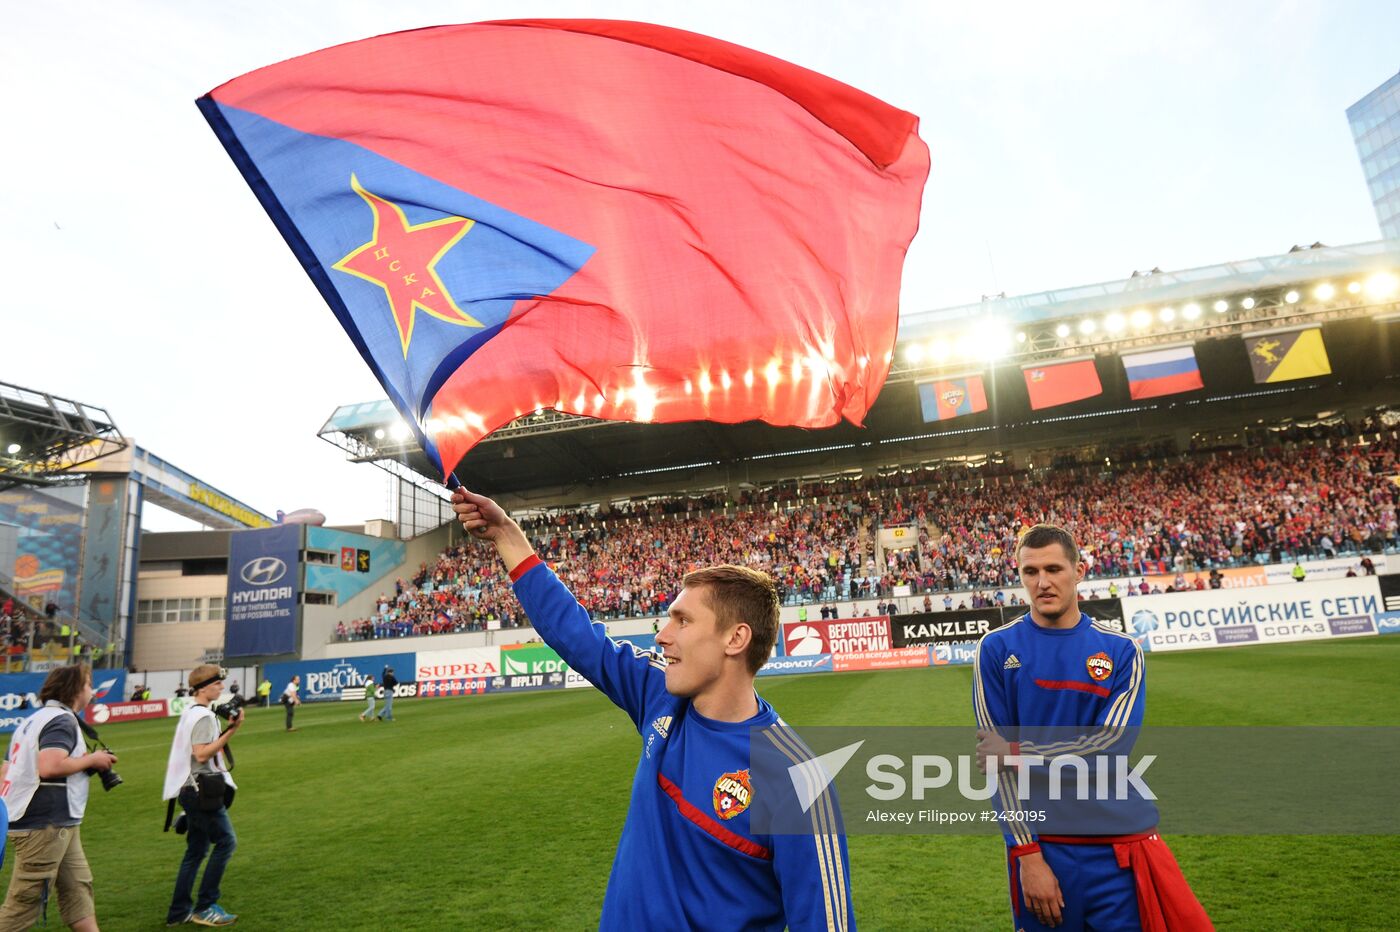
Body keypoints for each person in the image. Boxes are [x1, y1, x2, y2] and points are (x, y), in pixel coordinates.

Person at [451, 487, 854, 930]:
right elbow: (577, 634)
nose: (662, 635)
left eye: (683, 621)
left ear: (735, 640)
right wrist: (507, 535)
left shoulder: (798, 780)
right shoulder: (659, 696)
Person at [973, 525, 1211, 930]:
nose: (1043, 582)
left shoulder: (1121, 651)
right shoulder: (996, 649)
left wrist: (1017, 754)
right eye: (1030, 572)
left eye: (1054, 568)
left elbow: (1109, 749)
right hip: (1043, 850)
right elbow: (996, 769)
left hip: (1119, 850)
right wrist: (1026, 855)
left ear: (1079, 570)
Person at [0, 663, 117, 932]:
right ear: (76, 688)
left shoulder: (32, 720)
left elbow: (6, 768)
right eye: (88, 684)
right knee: (22, 907)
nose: (92, 690)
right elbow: (50, 767)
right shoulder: (62, 720)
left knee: (78, 888)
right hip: (46, 824)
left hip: (49, 821)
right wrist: (93, 759)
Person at [163, 664, 242, 927]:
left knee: (195, 852)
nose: (222, 687)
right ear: (204, 687)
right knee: (226, 842)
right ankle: (206, 906)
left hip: (189, 789)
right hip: (200, 790)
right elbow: (201, 754)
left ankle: (179, 912)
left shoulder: (191, 713)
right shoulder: (204, 717)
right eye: (217, 684)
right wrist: (232, 730)